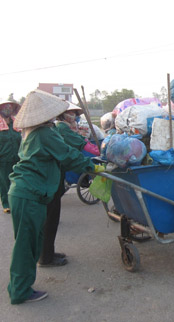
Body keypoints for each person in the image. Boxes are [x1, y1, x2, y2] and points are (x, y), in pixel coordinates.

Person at [7, 90, 105, 304]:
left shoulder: (37, 131)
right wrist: (94, 167)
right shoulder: (45, 133)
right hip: (29, 193)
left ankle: (20, 284)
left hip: (30, 192)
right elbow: (68, 156)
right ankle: (20, 291)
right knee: (26, 244)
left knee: (31, 242)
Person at [38, 102, 99, 267]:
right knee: (49, 219)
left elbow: (73, 144)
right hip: (49, 178)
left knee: (52, 218)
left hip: (52, 176)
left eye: (74, 113)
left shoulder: (51, 129)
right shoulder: (54, 130)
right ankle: (45, 257)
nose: (73, 116)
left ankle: (48, 253)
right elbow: (68, 152)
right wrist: (93, 164)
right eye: (70, 113)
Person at [0, 101, 22, 214]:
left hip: (17, 158)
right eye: (5, 108)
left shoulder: (16, 124)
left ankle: (17, 202)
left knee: (18, 181)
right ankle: (6, 204)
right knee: (4, 183)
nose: (8, 109)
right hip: (3, 159)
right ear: (0, 110)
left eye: (10, 108)